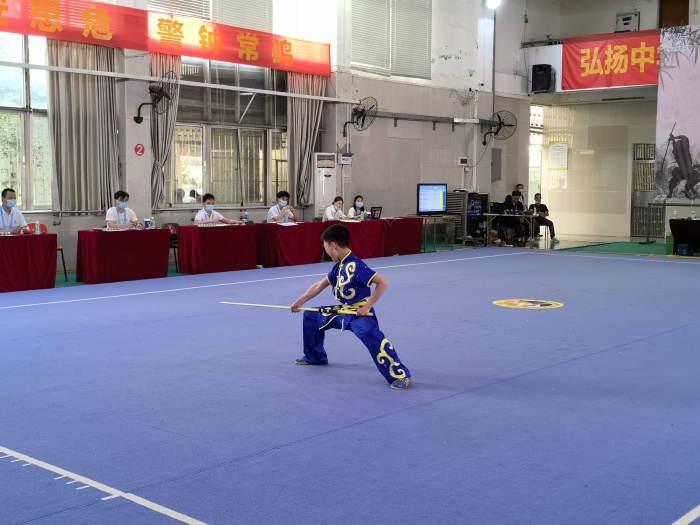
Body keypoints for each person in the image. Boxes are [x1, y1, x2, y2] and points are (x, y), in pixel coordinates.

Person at [291, 224, 412, 389]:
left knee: (370, 334)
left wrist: (367, 307)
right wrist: (300, 302)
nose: (326, 252)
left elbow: (382, 282)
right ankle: (315, 357)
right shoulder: (338, 267)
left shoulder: (356, 265)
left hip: (359, 314)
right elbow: (319, 285)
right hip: (343, 311)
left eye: (325, 247)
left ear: (333, 245)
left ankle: (400, 375)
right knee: (311, 315)